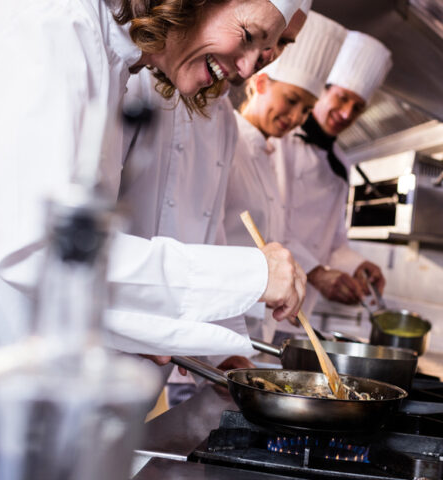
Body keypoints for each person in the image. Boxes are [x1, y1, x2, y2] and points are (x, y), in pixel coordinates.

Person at [0, 0, 306, 477]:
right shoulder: (49, 18)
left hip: (22, 413)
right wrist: (251, 274)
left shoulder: (107, 50)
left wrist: (142, 325)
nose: (248, 67)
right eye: (248, 35)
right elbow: (39, 246)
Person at [119, 0, 313, 404]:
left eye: (280, 45)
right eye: (255, 38)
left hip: (150, 360)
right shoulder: (139, 76)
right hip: (102, 342)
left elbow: (210, 238)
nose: (261, 60)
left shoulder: (223, 119)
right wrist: (252, 277)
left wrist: (228, 355)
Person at [222, 11, 347, 341]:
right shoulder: (226, 138)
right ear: (259, 83)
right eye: (291, 100)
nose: (296, 117)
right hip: (214, 330)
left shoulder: (268, 154)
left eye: (306, 109)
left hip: (247, 334)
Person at [274, 31, 394, 319]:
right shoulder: (279, 142)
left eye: (357, 108)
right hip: (262, 299)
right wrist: (315, 272)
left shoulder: (341, 164)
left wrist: (357, 265)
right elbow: (269, 224)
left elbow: (333, 242)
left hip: (300, 308)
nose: (346, 114)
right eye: (342, 98)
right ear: (322, 92)